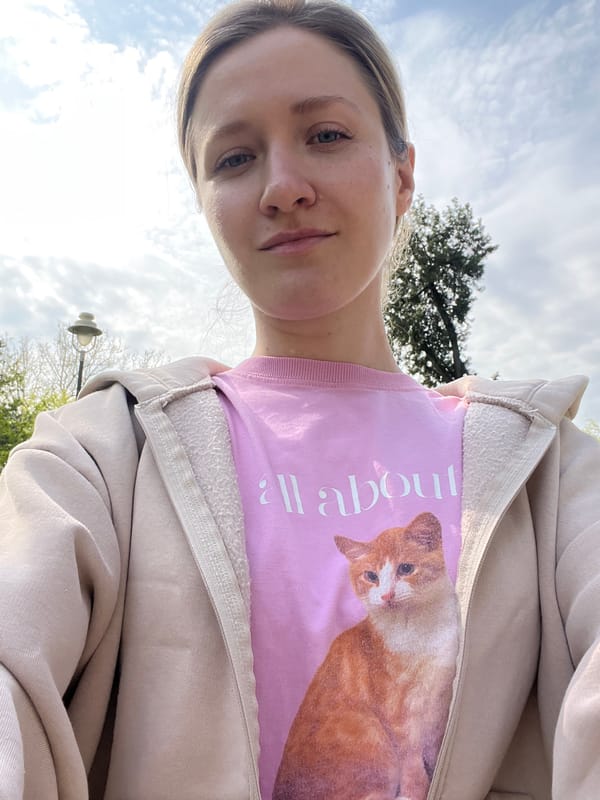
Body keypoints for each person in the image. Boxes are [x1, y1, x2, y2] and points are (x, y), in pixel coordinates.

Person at [1, 1, 599, 798]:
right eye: (234, 157)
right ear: (204, 202)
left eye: (325, 135)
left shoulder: (550, 473)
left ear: (402, 175)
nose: (282, 187)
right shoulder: (101, 453)